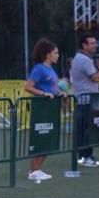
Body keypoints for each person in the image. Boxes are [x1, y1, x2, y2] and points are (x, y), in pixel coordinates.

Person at [71, 34, 99, 168]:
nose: (95, 45)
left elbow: (91, 75)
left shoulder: (82, 58)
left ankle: (84, 155)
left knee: (84, 129)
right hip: (86, 100)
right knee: (86, 130)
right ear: (84, 45)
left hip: (84, 99)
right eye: (91, 43)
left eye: (95, 42)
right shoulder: (84, 59)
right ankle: (85, 156)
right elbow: (96, 78)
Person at [23, 39, 61, 181]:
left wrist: (59, 93)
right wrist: (43, 94)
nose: (58, 55)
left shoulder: (50, 69)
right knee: (40, 138)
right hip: (41, 108)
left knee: (47, 139)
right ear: (47, 54)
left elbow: (53, 88)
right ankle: (33, 171)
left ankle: (37, 169)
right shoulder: (39, 68)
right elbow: (28, 87)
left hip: (50, 108)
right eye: (55, 53)